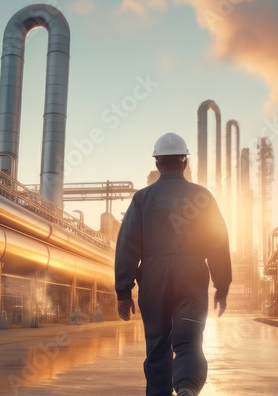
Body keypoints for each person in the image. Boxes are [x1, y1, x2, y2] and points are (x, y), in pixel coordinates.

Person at [115, 132, 231, 396]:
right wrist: (222, 285)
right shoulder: (203, 197)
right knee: (189, 342)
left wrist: (123, 291)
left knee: (157, 346)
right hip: (191, 275)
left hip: (153, 278)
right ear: (185, 162)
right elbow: (218, 242)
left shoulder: (142, 199)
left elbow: (127, 246)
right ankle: (187, 386)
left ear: (157, 164)